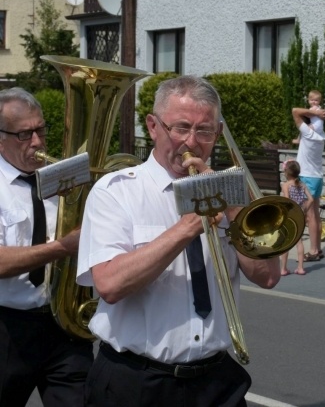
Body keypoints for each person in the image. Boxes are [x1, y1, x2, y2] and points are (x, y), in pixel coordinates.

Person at [77, 76, 281, 407]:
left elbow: (268, 276)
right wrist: (187, 227)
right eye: (181, 128)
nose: (191, 142)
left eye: (204, 131)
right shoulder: (117, 191)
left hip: (216, 382)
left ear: (217, 134)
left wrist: (233, 205)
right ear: (153, 126)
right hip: (137, 382)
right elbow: (109, 284)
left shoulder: (230, 195)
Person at [0, 88, 93, 407]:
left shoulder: (64, 177)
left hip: (63, 324)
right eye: (24, 134)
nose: (38, 142)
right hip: (8, 328)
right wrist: (62, 247)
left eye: (40, 129)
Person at [292, 90, 325, 262]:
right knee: (316, 214)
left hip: (307, 177)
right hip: (317, 177)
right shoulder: (321, 137)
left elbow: (294, 111)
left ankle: (313, 251)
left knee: (310, 216)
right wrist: (317, 113)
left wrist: (313, 112)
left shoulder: (308, 133)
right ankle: (318, 249)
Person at [279, 159, 312, 276]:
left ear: (286, 173)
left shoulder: (286, 185)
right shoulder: (302, 185)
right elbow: (311, 199)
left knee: (286, 242)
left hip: (290, 216)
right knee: (299, 242)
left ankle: (283, 269)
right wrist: (304, 210)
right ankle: (300, 268)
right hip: (299, 216)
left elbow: (288, 200)